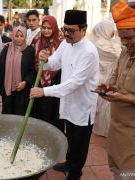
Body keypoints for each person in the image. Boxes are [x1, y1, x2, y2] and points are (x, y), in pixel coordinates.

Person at [30, 10, 99, 180]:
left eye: (71, 31)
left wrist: (43, 91)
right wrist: (45, 60)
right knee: (70, 136)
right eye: (64, 29)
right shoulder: (66, 43)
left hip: (83, 104)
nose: (66, 34)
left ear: (84, 30)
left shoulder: (89, 52)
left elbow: (74, 83)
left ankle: (75, 173)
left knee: (80, 142)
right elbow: (55, 63)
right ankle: (69, 162)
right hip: (68, 101)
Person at [97, 1, 135, 177]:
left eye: (129, 38)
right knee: (117, 172)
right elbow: (117, 74)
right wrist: (110, 87)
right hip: (117, 130)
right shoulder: (126, 51)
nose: (124, 43)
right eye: (121, 38)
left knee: (131, 175)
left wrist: (123, 98)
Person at [31, 15, 65, 131]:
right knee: (40, 109)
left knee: (53, 109)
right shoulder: (36, 39)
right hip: (39, 79)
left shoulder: (62, 41)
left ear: (54, 28)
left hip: (56, 78)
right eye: (44, 27)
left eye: (49, 28)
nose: (46, 30)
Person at [0, 26, 35, 115]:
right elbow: (0, 66)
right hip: (7, 89)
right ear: (13, 36)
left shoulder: (29, 50)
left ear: (25, 36)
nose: (19, 39)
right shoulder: (7, 48)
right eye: (16, 36)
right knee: (7, 113)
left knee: (20, 113)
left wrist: (25, 82)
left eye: (21, 36)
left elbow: (32, 70)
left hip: (22, 91)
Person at [90, 19, 121, 137]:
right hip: (106, 76)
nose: (113, 32)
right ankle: (102, 129)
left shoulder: (97, 42)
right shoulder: (102, 44)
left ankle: (97, 126)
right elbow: (118, 55)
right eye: (111, 29)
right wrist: (117, 40)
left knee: (100, 103)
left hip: (99, 75)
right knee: (104, 104)